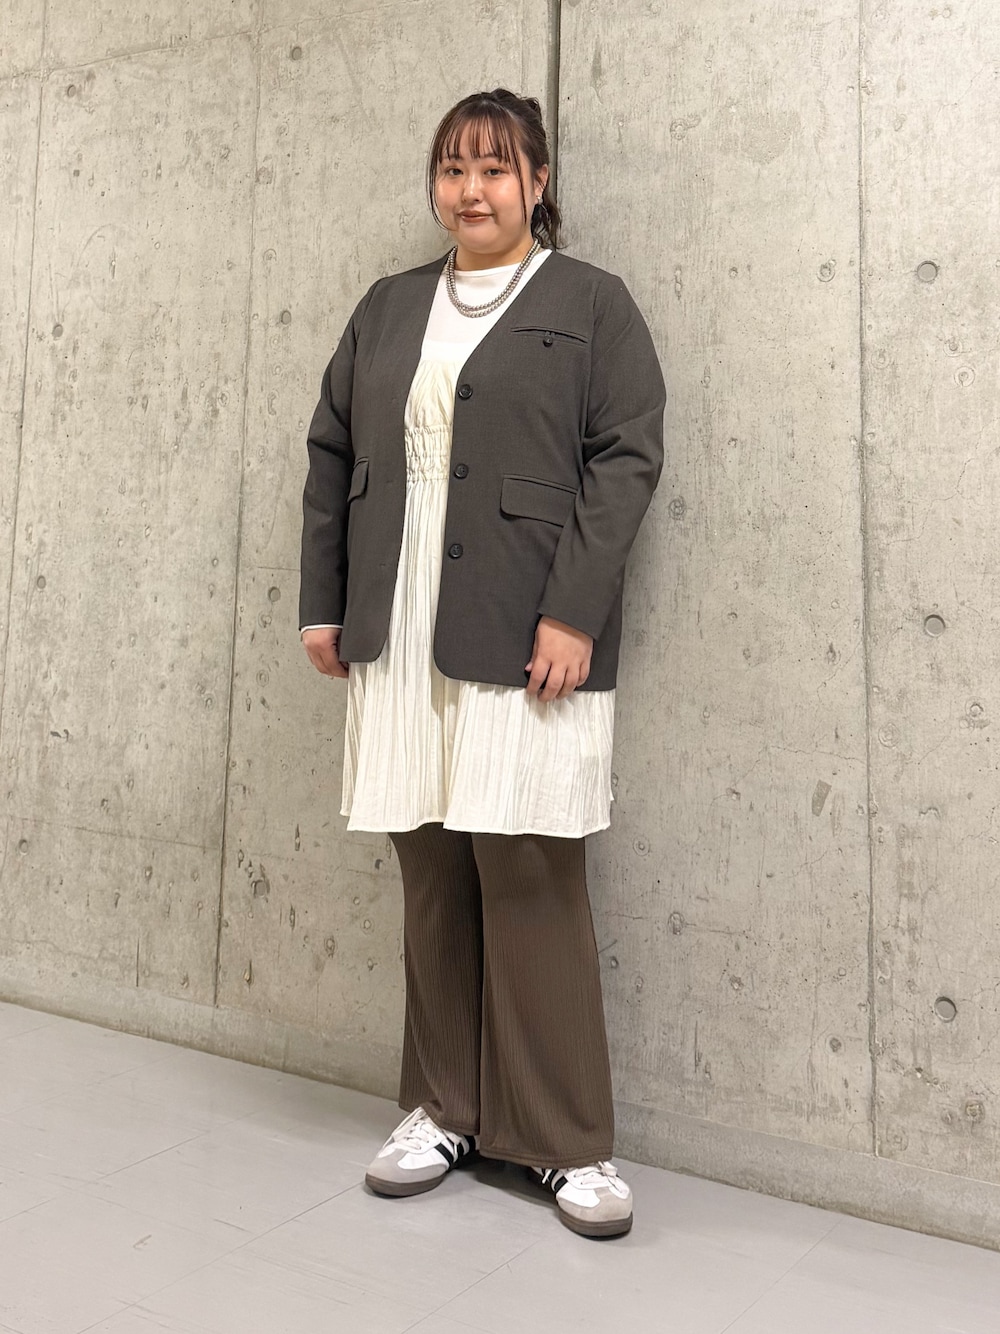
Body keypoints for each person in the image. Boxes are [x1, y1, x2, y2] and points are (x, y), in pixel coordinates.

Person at [299, 88, 665, 1239]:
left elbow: (625, 460)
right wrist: (324, 604)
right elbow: (331, 452)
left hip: (525, 623)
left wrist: (572, 612)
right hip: (398, 618)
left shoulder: (591, 303)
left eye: (496, 169)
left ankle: (567, 1139)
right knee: (429, 865)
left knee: (527, 864)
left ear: (537, 182)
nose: (471, 189)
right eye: (453, 168)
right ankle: (442, 1108)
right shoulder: (388, 304)